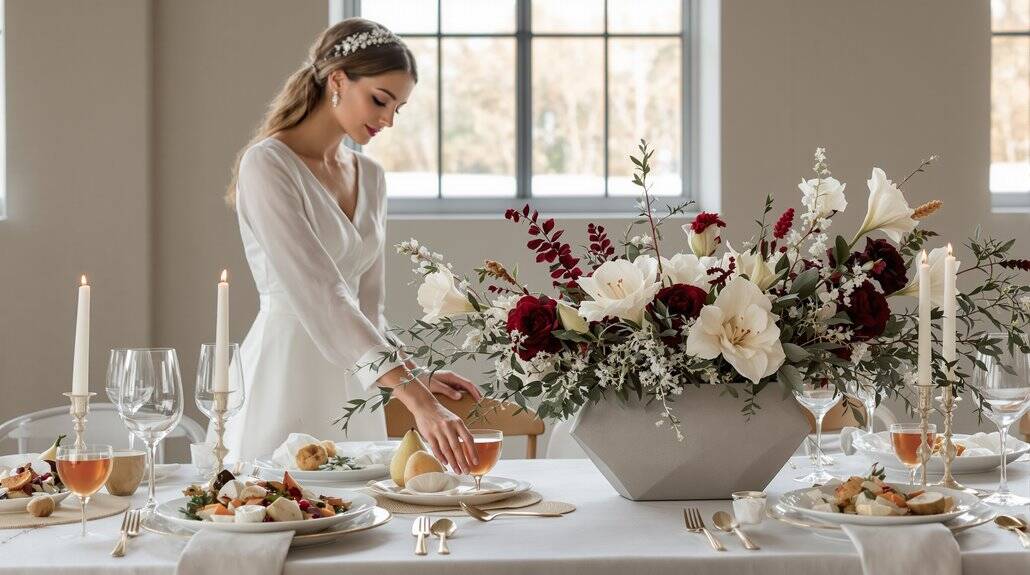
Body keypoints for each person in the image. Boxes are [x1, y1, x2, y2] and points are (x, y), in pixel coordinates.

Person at [222, 18, 479, 474]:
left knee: (359, 517)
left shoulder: (372, 178)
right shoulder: (267, 166)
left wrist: (413, 374)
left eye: (398, 108)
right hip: (284, 371)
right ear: (337, 80)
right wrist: (415, 399)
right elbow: (321, 293)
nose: (386, 120)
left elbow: (367, 308)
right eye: (380, 100)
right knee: (278, 510)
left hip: (354, 382)